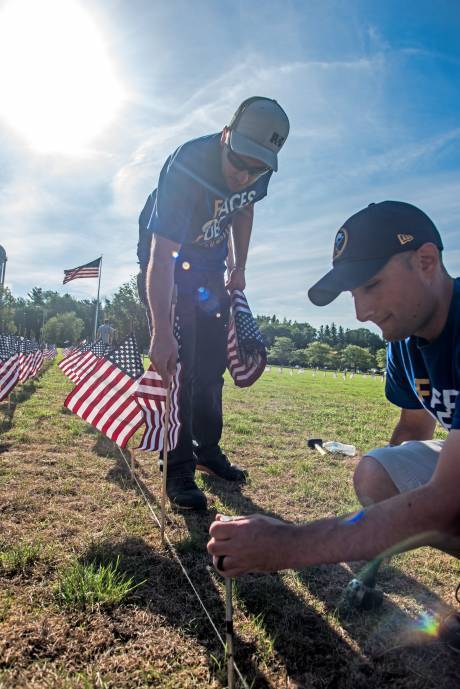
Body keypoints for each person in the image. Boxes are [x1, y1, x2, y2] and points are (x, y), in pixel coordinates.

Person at [208, 201, 460, 590]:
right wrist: (376, 551)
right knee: (377, 472)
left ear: (426, 261)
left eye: (372, 285)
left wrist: (287, 544)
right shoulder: (405, 341)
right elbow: (413, 429)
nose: (361, 313)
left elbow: (446, 500)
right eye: (353, 294)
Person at [138, 97, 290, 510]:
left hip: (209, 267)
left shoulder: (257, 172)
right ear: (226, 136)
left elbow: (244, 211)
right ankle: (178, 464)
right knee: (181, 363)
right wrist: (161, 332)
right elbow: (161, 253)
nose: (244, 175)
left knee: (210, 368)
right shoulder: (188, 165)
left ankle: (207, 450)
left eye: (256, 168)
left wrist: (239, 265)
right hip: (169, 262)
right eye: (238, 161)